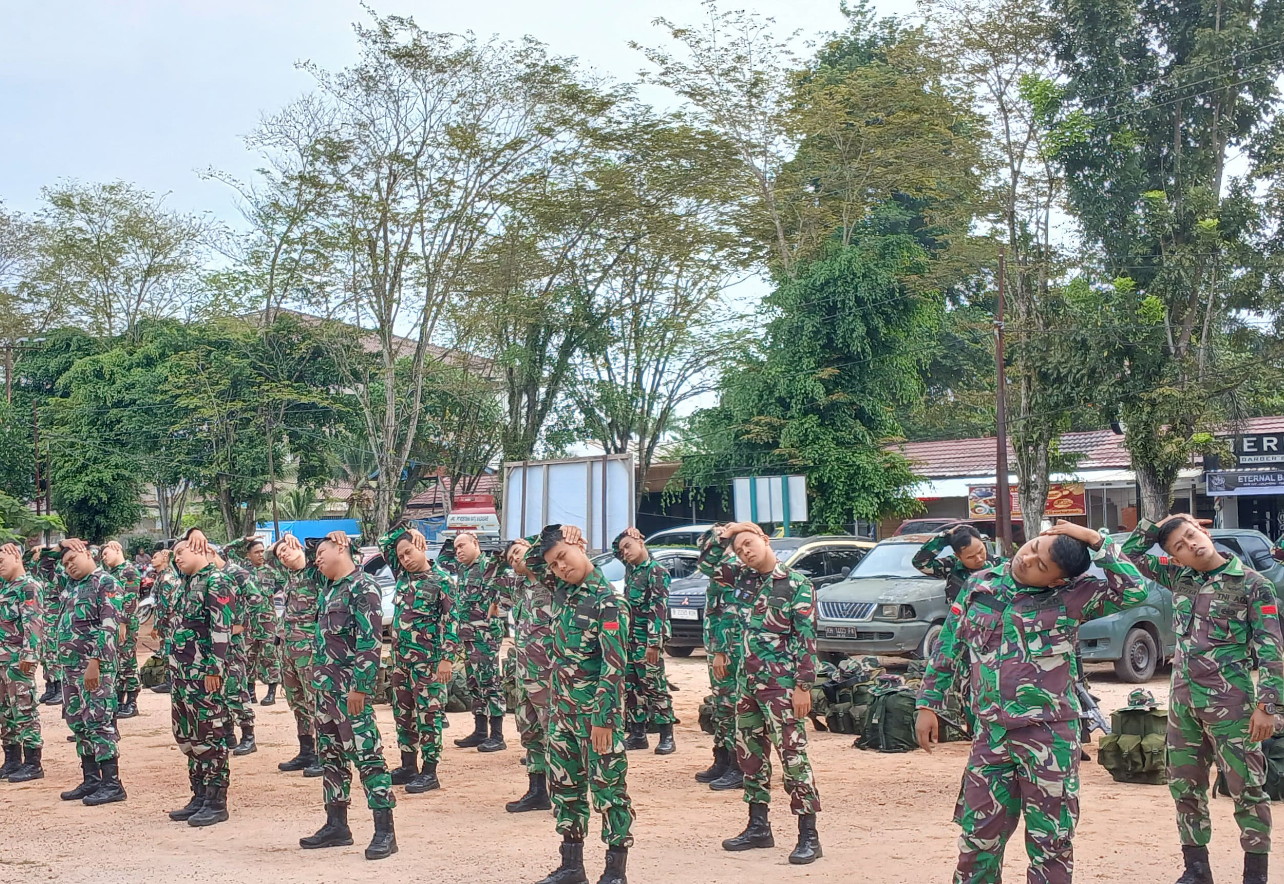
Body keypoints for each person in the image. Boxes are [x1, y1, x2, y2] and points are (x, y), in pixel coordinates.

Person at [916, 521, 1146, 884]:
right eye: (1033, 548)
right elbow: (949, 646)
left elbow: (1135, 591)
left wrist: (1095, 540)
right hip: (990, 735)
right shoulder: (980, 584)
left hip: (1049, 737)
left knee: (1050, 842)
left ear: (1057, 580)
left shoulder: (1074, 595)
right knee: (977, 838)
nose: (1027, 560)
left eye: (1041, 565)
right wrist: (928, 703)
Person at [1123, 514, 1283, 884]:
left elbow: (1272, 650)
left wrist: (1269, 707)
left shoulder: (1252, 585)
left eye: (1192, 535)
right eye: (1180, 545)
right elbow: (1129, 554)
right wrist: (1158, 523)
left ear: (1205, 533)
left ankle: (1255, 874)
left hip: (1233, 704)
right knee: (1185, 786)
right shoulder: (1180, 578)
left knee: (1248, 788)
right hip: (1183, 704)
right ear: (1175, 558)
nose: (1191, 544)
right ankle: (1197, 870)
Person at [699, 521, 822, 866]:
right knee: (750, 757)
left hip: (781, 688)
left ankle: (808, 835)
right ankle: (758, 827)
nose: (745, 552)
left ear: (766, 540)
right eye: (739, 550)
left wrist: (803, 687)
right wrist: (724, 534)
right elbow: (707, 564)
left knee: (793, 758)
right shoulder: (742, 579)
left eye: (749, 544)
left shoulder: (795, 584)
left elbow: (806, 640)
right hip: (747, 685)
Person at [526, 524, 633, 884]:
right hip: (562, 715)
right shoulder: (562, 591)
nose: (560, 568)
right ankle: (572, 867)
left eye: (563, 558)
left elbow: (614, 667)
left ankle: (615, 871)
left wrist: (603, 719)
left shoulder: (609, 601)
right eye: (554, 565)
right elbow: (530, 560)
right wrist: (553, 531)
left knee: (609, 791)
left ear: (580, 546)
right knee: (565, 789)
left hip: (596, 718)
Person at [295, 531, 396, 860]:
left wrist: (362, 688)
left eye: (323, 551)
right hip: (325, 693)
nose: (317, 559)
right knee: (332, 760)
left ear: (341, 547)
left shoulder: (363, 586)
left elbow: (370, 643)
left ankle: (385, 831)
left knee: (368, 757)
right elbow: (297, 568)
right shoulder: (328, 588)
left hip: (349, 692)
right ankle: (337, 825)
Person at [377, 523, 457, 794]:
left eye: (409, 552)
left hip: (428, 663)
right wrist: (406, 528)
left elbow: (451, 622)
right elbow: (383, 542)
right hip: (401, 661)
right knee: (403, 714)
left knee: (429, 715)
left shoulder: (442, 581)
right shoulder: (402, 575)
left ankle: (429, 771)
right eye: (401, 556)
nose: (405, 559)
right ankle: (408, 765)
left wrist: (447, 659)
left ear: (422, 547)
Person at [165, 539, 236, 827]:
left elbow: (221, 626)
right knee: (188, 736)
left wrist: (214, 669)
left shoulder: (216, 581)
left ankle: (216, 801)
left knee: (210, 735)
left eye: (181, 552)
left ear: (199, 550)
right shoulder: (184, 583)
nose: (176, 558)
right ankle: (199, 794)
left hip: (204, 674)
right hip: (182, 675)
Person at [54, 538, 128, 806]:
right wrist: (60, 545)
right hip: (71, 668)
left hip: (95, 667)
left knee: (98, 721)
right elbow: (38, 565)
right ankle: (91, 779)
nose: (69, 566)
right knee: (78, 721)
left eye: (73, 559)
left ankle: (112, 783)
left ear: (87, 553)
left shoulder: (105, 582)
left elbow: (109, 626)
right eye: (65, 564)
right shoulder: (71, 586)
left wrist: (95, 662)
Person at [439, 531, 507, 752]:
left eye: (462, 545)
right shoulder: (463, 568)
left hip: (485, 635)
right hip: (467, 635)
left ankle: (497, 735)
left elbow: (505, 565)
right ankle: (480, 731)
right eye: (456, 547)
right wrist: (453, 539)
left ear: (476, 544)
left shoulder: (489, 565)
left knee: (489, 683)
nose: (458, 550)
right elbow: (442, 560)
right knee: (474, 683)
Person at [502, 535, 555, 813]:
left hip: (550, 674)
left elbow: (552, 541)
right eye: (511, 558)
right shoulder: (519, 587)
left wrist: (532, 543)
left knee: (555, 734)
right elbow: (487, 571)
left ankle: (564, 792)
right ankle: (538, 791)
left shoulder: (553, 578)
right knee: (531, 733)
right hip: (525, 673)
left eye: (518, 553)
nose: (515, 560)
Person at [613, 528, 677, 755]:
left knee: (654, 686)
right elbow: (614, 548)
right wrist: (623, 534)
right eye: (622, 550)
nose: (624, 552)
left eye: (628, 546)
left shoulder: (656, 571)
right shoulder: (632, 569)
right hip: (629, 638)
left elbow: (658, 610)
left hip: (647, 639)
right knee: (631, 687)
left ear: (641, 541)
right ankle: (637, 733)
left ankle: (666, 735)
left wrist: (654, 643)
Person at [696, 528, 748, 790]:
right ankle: (725, 759)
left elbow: (731, 616)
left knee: (734, 706)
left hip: (732, 649)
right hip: (721, 648)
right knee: (723, 706)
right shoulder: (725, 568)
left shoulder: (733, 566)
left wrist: (721, 651)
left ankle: (740, 766)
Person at [270, 535, 323, 776]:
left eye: (287, 551)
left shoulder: (315, 571)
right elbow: (268, 555)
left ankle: (325, 754)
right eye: (280, 554)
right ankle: (306, 751)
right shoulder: (289, 576)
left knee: (316, 702)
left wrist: (295, 542)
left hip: (309, 647)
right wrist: (280, 542)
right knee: (297, 702)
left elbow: (322, 548)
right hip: (288, 647)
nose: (282, 555)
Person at [0, 543, 44, 782]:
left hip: (18, 660)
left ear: (17, 556)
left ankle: (33, 762)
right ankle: (12, 759)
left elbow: (33, 623)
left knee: (24, 709)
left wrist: (30, 655)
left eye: (1, 561)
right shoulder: (3, 586)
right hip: (1, 660)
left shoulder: (28, 586)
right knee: (5, 712)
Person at [226, 537, 282, 707]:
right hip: (247, 621)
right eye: (256, 552)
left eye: (262, 551)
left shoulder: (272, 572)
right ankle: (250, 691)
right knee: (248, 656)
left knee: (269, 655)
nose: (260, 555)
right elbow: (226, 551)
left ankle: (271, 692)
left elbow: (284, 584)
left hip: (267, 621)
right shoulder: (242, 570)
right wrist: (244, 540)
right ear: (248, 555)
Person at [100, 541, 142, 718]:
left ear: (117, 549)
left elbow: (130, 599)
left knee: (127, 661)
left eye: (106, 553)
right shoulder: (113, 573)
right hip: (115, 623)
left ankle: (132, 702)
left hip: (126, 624)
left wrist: (123, 623)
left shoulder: (128, 571)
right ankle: (119, 700)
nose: (104, 557)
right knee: (117, 661)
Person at [913, 525, 1001, 603]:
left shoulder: (1000, 565)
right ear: (958, 556)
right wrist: (945, 537)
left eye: (981, 551)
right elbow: (920, 562)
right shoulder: (951, 567)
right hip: (959, 620)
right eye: (971, 557)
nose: (979, 558)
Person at [30, 544, 64, 706]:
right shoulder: (34, 571)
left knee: (54, 651)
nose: (38, 556)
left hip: (54, 614)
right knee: (45, 652)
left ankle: (59, 687)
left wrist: (46, 550)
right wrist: (33, 554)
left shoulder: (57, 571)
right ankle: (50, 685)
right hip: (42, 614)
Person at [148, 548, 182, 694]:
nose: (152, 559)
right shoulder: (162, 575)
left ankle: (170, 681)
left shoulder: (166, 577)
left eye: (155, 557)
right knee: (167, 648)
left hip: (169, 619)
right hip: (169, 618)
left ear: (164, 559)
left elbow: (163, 604)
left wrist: (155, 626)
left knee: (168, 648)